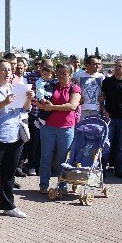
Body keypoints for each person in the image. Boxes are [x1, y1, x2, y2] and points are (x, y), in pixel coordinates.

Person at [0, 59, 34, 223]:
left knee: (9, 175)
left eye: (10, 69)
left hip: (15, 138)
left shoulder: (15, 88)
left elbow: (25, 109)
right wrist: (4, 102)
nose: (8, 72)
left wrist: (28, 98)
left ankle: (8, 206)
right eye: (3, 69)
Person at [36, 64, 81, 194]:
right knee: (46, 156)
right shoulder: (51, 85)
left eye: (64, 73)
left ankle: (63, 185)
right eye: (59, 72)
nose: (60, 75)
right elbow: (39, 102)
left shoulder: (74, 88)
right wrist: (41, 103)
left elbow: (72, 106)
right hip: (48, 126)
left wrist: (53, 107)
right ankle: (43, 185)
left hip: (66, 128)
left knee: (63, 158)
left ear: (70, 75)